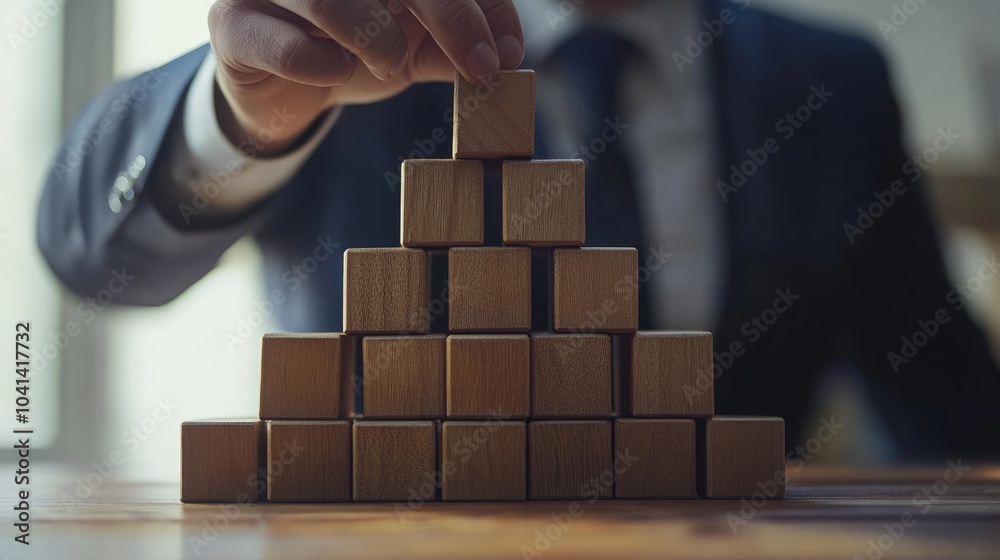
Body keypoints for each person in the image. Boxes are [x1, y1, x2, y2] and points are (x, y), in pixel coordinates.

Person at [38, 0, 1000, 458]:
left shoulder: (829, 80)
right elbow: (91, 259)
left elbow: (943, 397)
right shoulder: (350, 34)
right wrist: (238, 116)